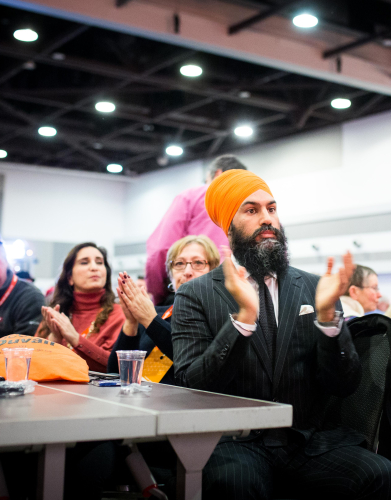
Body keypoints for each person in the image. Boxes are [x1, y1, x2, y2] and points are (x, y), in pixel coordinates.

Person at [172, 170, 391, 500]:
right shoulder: (195, 294)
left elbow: (344, 385)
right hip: (236, 443)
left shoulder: (313, 286)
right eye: (251, 211)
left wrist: (328, 323)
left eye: (272, 209)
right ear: (228, 226)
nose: (267, 219)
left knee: (383, 477)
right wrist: (242, 321)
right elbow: (191, 387)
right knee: (235, 486)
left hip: (307, 442)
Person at [107, 235, 220, 384]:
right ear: (171, 274)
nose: (187, 271)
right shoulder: (156, 314)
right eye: (179, 263)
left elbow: (195, 365)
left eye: (198, 263)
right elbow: (115, 373)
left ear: (213, 272)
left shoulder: (220, 315)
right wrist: (131, 322)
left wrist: (151, 320)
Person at [145, 155, 247, 306]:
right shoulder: (255, 207)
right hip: (238, 298)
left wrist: (159, 297)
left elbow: (161, 250)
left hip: (192, 291)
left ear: (218, 174)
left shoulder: (192, 197)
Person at [36, 243, 134, 372]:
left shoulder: (119, 314)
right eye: (84, 262)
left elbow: (119, 367)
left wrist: (76, 339)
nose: (94, 268)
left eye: (99, 262)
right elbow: (33, 363)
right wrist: (55, 339)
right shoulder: (57, 314)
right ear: (70, 277)